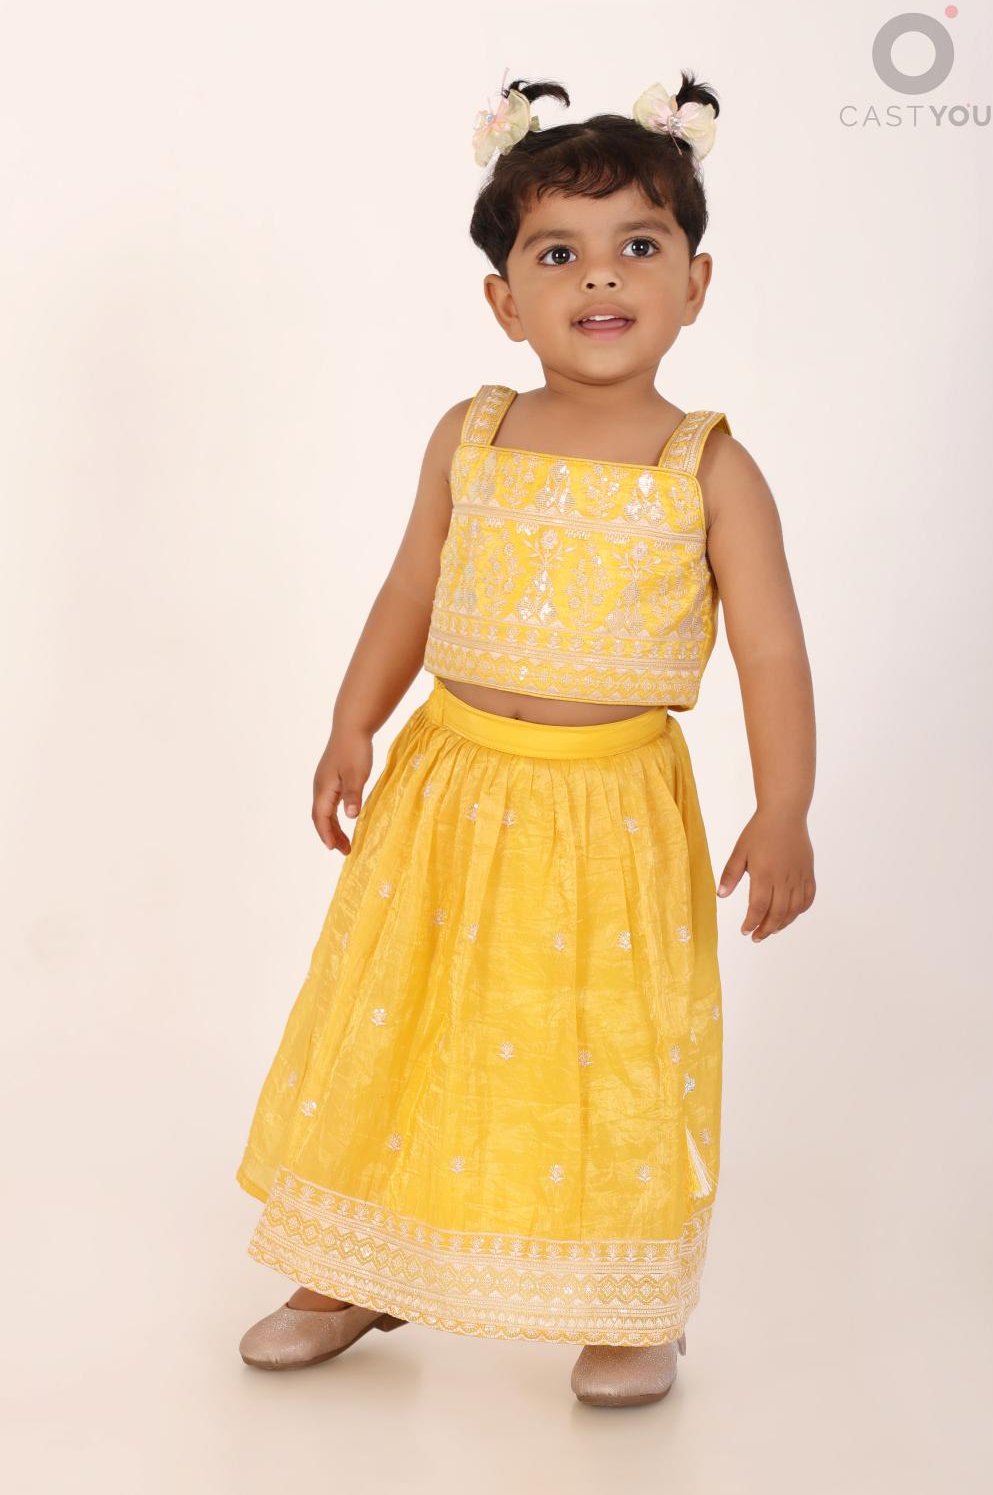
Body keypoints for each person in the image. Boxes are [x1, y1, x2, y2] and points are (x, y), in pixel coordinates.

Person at [235, 68, 816, 1409]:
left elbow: (773, 652)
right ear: (504, 298)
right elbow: (409, 589)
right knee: (403, 1023)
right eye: (558, 253)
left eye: (637, 247)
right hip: (445, 795)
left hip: (608, 816)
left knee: (608, 1049)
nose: (599, 275)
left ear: (695, 284)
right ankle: (355, 1264)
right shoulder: (474, 434)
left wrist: (784, 804)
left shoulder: (709, 469)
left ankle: (628, 1300)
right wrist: (352, 720)